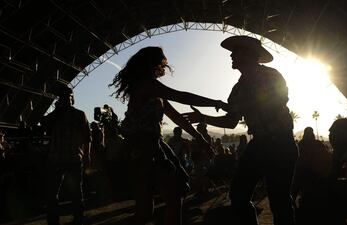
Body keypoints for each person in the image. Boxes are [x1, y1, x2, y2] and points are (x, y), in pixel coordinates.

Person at [183, 36, 298, 225]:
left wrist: (237, 107)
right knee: (238, 194)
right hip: (260, 144)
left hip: (280, 144)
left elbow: (277, 102)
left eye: (235, 52)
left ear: (248, 54)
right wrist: (204, 118)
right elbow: (231, 121)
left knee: (279, 200)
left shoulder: (270, 75)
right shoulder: (237, 89)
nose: (231, 55)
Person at [108, 46, 227, 225]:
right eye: (162, 62)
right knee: (171, 195)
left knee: (151, 207)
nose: (165, 66)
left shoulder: (154, 91)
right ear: (153, 63)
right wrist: (215, 103)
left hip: (147, 146)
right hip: (144, 146)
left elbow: (177, 118)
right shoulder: (148, 84)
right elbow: (182, 97)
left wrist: (200, 138)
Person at [41, 85, 91, 225]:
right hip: (68, 158)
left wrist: (87, 156)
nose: (67, 100)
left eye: (68, 97)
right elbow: (44, 124)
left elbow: (87, 137)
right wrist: (87, 156)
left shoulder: (77, 115)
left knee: (68, 192)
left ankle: (65, 220)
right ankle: (74, 219)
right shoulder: (64, 115)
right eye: (65, 97)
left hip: (65, 158)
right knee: (70, 192)